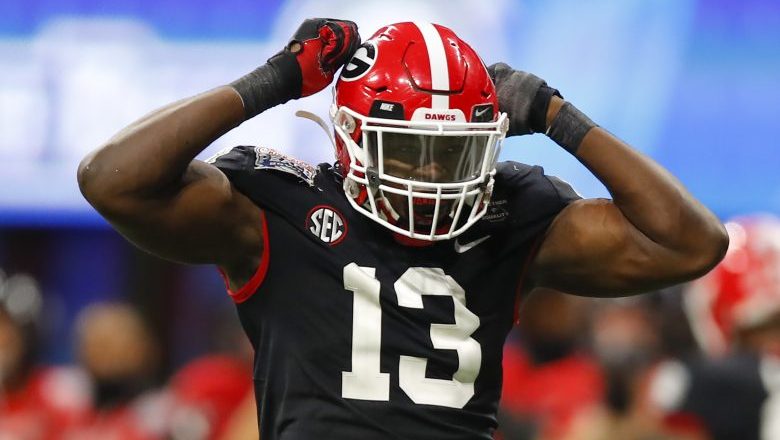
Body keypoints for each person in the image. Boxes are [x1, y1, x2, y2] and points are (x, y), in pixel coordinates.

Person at [77, 18, 728, 440]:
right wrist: (274, 81)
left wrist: (559, 116)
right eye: (411, 149)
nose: (433, 174)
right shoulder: (276, 204)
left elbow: (691, 242)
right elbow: (111, 178)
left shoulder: (511, 213)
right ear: (354, 136)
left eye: (454, 153)